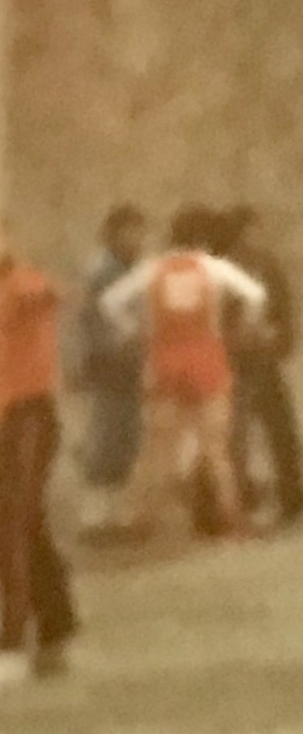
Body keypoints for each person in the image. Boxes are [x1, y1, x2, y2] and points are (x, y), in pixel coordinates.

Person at [101, 209, 268, 543]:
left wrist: (134, 332)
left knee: (157, 447)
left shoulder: (153, 268)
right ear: (204, 239)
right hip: (206, 355)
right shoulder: (212, 267)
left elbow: (110, 301)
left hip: (164, 358)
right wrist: (245, 327)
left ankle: (135, 519)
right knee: (216, 447)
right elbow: (256, 295)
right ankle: (232, 518)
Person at [0, 227, 80, 680]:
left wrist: (39, 294)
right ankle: (55, 627)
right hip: (9, 417)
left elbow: (48, 293)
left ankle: (13, 642)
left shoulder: (21, 283)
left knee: (15, 521)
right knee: (22, 523)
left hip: (29, 416)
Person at [219, 208, 303, 525]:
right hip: (237, 359)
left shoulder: (268, 265)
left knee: (281, 429)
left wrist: (280, 338)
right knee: (237, 433)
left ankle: (293, 499)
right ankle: (242, 502)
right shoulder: (223, 268)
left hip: (265, 356)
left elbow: (283, 307)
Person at [67, 203, 149, 525]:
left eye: (139, 230)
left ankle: (116, 511)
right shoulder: (100, 272)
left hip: (129, 361)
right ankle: (94, 511)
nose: (136, 237)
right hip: (106, 361)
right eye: (129, 231)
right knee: (106, 431)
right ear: (113, 234)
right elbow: (89, 319)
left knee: (127, 433)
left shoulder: (133, 269)